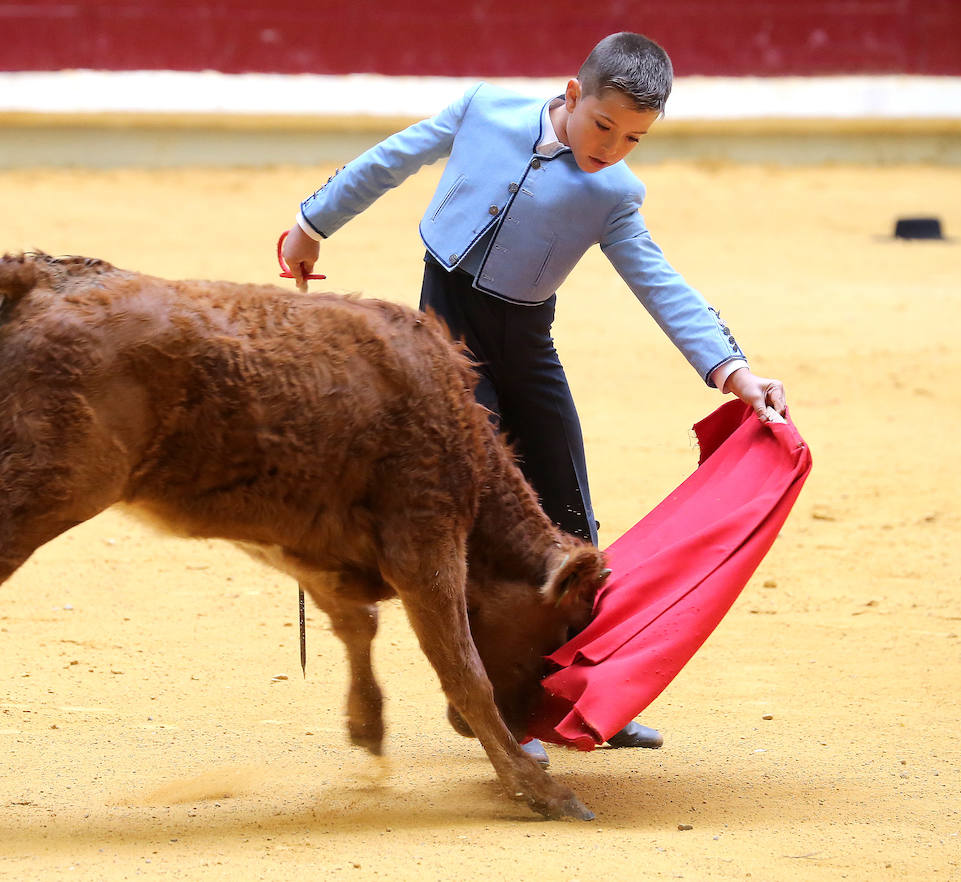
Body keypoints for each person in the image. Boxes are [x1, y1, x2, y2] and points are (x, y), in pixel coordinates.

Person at [281, 32, 787, 753]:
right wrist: (311, 223)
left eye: (634, 138)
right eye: (603, 126)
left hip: (527, 348)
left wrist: (734, 372)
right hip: (445, 344)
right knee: (486, 521)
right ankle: (492, 705)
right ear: (573, 95)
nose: (611, 148)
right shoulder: (486, 109)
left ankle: (589, 694)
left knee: (571, 514)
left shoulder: (615, 192)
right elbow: (393, 158)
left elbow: (659, 283)